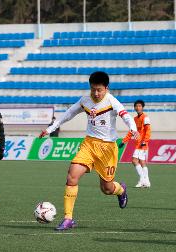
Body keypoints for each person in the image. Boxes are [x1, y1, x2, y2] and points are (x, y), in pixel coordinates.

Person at [39, 71, 138, 231]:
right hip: (89, 145)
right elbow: (69, 113)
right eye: (93, 89)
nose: (96, 93)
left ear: (106, 88)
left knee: (106, 188)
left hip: (107, 148)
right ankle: (68, 218)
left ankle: (120, 189)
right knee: (72, 176)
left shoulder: (112, 101)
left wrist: (133, 129)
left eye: (99, 89)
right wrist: (51, 129)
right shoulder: (85, 100)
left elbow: (125, 116)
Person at [119, 100, 151, 188]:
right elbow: (131, 132)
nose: (138, 108)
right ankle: (147, 181)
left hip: (142, 143)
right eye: (136, 106)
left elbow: (148, 131)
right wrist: (124, 141)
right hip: (138, 143)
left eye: (140, 106)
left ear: (142, 107)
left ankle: (142, 180)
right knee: (142, 162)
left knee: (134, 160)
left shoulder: (145, 118)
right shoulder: (135, 119)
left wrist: (145, 141)